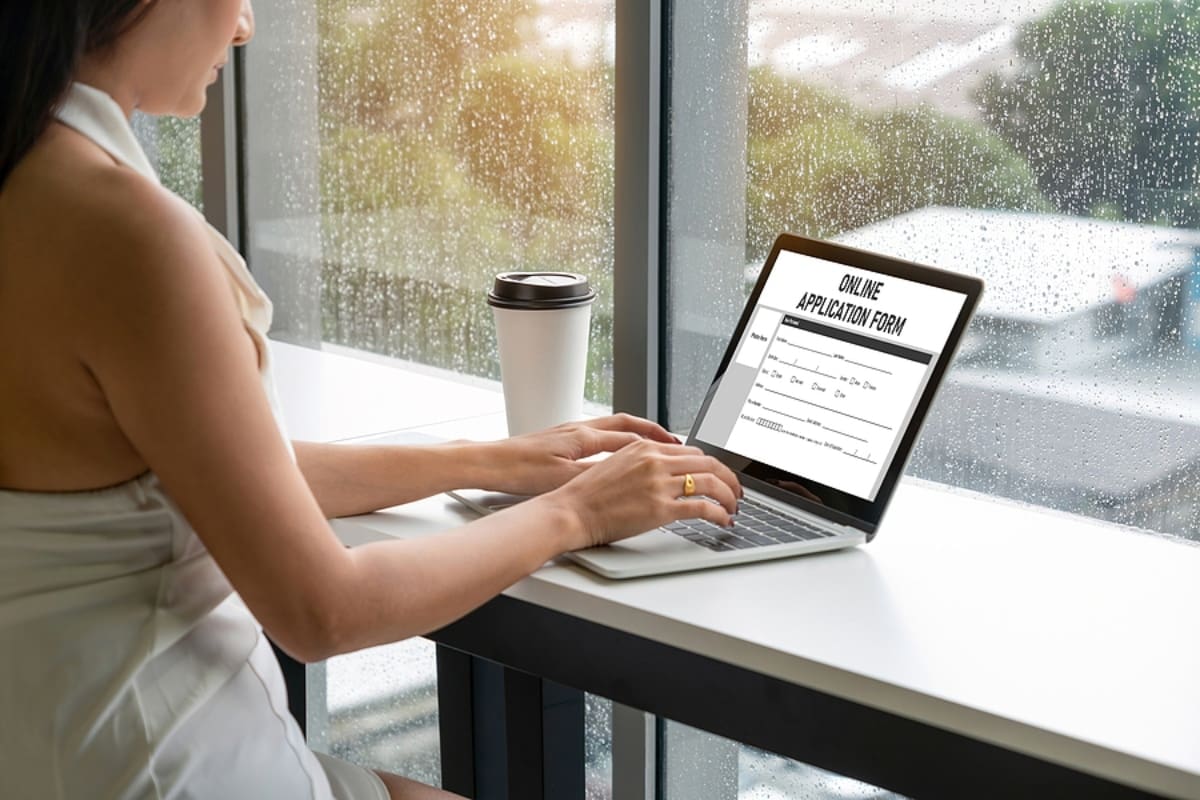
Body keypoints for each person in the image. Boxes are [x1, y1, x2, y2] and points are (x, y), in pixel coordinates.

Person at [0, 1, 742, 798]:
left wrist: (484, 461)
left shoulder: (26, 178)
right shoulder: (131, 236)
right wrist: (581, 513)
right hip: (162, 766)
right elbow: (323, 611)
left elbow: (183, 473)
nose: (246, 25)